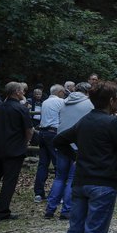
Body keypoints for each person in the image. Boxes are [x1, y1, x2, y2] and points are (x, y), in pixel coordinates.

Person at [51, 81, 117, 233]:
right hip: (103, 184)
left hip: (81, 183)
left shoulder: (85, 121)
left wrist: (75, 157)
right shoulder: (112, 123)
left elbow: (59, 139)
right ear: (111, 101)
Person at [46, 82, 93, 220]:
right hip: (78, 146)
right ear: (87, 92)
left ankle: (50, 208)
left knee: (59, 177)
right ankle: (66, 210)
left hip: (62, 143)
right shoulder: (89, 104)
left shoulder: (63, 102)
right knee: (72, 178)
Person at [0, 82, 33, 222]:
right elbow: (29, 130)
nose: (24, 93)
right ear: (17, 92)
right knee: (9, 182)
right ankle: (2, 213)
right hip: (14, 150)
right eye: (22, 91)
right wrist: (25, 142)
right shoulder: (21, 109)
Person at [33, 84, 65, 203]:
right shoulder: (61, 102)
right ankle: (58, 194)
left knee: (43, 164)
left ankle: (38, 193)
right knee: (58, 164)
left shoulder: (45, 102)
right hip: (53, 133)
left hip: (42, 133)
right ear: (60, 92)